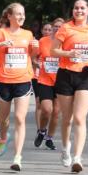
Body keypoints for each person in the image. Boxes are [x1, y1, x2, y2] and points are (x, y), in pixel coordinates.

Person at [0, 2, 38, 171]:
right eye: (18, 14)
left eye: (23, 14)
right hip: (4, 82)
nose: (21, 17)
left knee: (20, 118)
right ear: (9, 16)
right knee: (3, 119)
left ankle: (17, 157)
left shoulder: (28, 34)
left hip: (23, 80)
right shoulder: (0, 32)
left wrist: (35, 49)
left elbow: (32, 56)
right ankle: (4, 137)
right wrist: (0, 44)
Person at [51, 0, 88, 172]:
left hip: (85, 75)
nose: (79, 10)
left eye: (82, 8)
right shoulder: (66, 28)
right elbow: (53, 50)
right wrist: (68, 53)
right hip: (66, 74)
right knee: (67, 118)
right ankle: (66, 149)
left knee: (79, 118)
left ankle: (77, 157)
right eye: (76, 8)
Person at [34, 19, 63, 151]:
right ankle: (41, 131)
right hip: (45, 80)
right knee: (46, 110)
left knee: (56, 112)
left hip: (62, 81)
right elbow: (33, 57)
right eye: (55, 27)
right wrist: (37, 63)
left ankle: (49, 138)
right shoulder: (43, 41)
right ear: (52, 28)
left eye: (60, 27)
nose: (57, 29)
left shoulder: (67, 42)